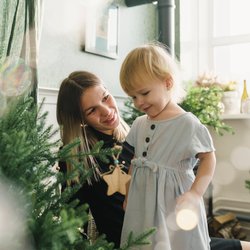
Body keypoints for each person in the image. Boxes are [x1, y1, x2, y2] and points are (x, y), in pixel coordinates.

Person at [56, 70, 250, 250]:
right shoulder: (77, 158)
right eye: (92, 110)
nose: (106, 110)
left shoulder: (137, 133)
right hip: (137, 241)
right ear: (79, 119)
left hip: (172, 233)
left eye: (106, 97)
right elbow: (71, 219)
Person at [119, 43, 216, 249]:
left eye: (144, 93)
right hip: (142, 205)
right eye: (133, 97)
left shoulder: (187, 123)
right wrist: (128, 195)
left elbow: (209, 158)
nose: (139, 102)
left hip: (175, 205)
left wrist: (195, 193)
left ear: (168, 82)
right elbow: (135, 164)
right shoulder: (138, 124)